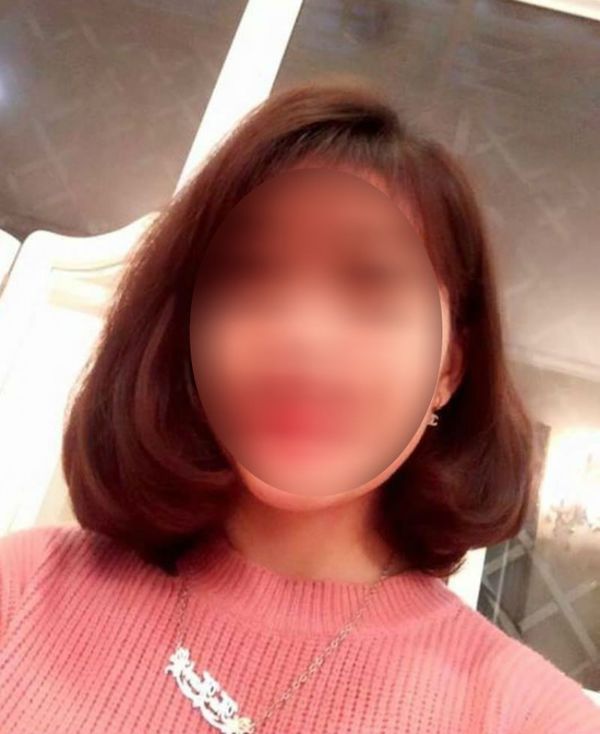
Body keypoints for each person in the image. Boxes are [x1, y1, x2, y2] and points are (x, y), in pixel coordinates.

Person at [1, 78, 599, 733]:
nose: (302, 335)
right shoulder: (24, 587)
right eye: (249, 276)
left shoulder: (531, 717)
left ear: (447, 371)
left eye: (369, 284)